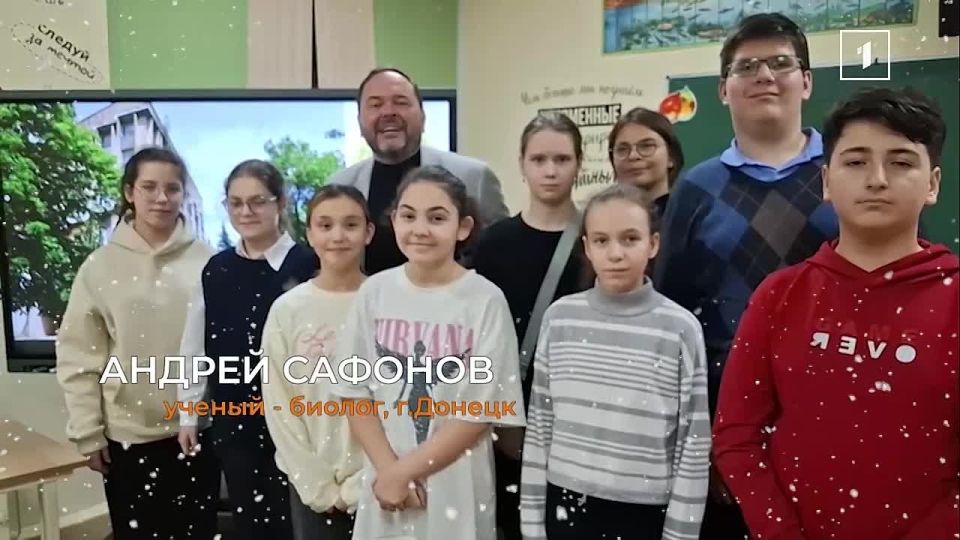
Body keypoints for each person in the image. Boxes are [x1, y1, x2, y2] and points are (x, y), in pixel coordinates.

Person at [713, 87, 959, 539]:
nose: (877, 179)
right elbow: (736, 437)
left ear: (933, 184)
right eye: (856, 161)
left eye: (901, 162)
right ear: (827, 181)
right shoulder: (779, 296)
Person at [652, 13, 837, 536]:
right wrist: (698, 438)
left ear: (806, 81)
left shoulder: (850, 172)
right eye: (746, 66)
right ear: (723, 90)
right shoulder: (696, 189)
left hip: (838, 409)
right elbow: (673, 318)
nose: (765, 75)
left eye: (780, 63)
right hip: (729, 420)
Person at [331, 165, 526, 540]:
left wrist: (406, 472)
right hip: (385, 483)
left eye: (436, 218)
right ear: (393, 221)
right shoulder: (375, 293)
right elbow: (353, 392)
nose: (420, 229)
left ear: (463, 227)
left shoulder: (484, 300)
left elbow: (480, 411)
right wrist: (390, 471)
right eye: (408, 216)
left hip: (456, 484)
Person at [519, 183, 711, 540]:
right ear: (587, 247)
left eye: (630, 239)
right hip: (565, 506)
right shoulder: (560, 319)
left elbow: (693, 443)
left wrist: (680, 533)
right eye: (602, 240)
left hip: (644, 514)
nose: (616, 253)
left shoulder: (679, 329)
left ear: (653, 244)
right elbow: (540, 426)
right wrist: (531, 525)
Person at [56, 147, 220, 539]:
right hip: (127, 435)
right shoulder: (99, 267)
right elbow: (79, 356)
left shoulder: (209, 262)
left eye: (172, 188)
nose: (162, 198)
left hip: (197, 429)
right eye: (149, 187)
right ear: (130, 192)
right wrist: (88, 432)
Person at [177, 159, 319, 539]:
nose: (246, 212)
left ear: (280, 203)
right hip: (235, 419)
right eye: (236, 203)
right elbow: (194, 346)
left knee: (300, 523)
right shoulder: (216, 269)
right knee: (252, 525)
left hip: (299, 421)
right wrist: (189, 412)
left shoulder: (309, 263)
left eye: (257, 201)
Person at [470, 112, 592, 540]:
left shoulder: (596, 240)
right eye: (539, 159)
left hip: (580, 417)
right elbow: (481, 339)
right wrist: (501, 418)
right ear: (522, 164)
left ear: (579, 163)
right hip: (510, 421)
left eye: (562, 159)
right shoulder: (494, 244)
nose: (550, 170)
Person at [260, 185, 374, 540]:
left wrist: (367, 479)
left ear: (368, 232)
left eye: (350, 225)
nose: (338, 236)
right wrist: (317, 484)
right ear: (309, 234)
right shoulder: (288, 310)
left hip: (383, 482)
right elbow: (279, 403)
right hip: (311, 485)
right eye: (325, 225)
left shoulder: (387, 303)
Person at [328, 67, 509, 274]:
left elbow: (502, 254)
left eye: (401, 102)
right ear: (360, 122)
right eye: (376, 105)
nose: (388, 112)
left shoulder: (474, 177)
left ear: (423, 117)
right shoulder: (340, 185)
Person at [608, 106, 685, 218]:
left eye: (647, 146)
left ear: (671, 156)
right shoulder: (602, 218)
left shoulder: (688, 215)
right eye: (622, 149)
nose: (633, 156)